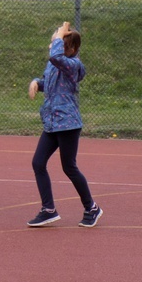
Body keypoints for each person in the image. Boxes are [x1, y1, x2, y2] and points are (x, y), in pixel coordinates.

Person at [27, 22, 103, 228]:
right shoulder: (54, 63)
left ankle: (92, 208)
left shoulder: (74, 66)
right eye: (53, 41)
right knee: (38, 163)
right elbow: (49, 81)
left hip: (68, 123)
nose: (52, 45)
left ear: (71, 49)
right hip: (52, 122)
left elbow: (56, 57)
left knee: (69, 167)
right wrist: (36, 82)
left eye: (57, 42)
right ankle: (48, 209)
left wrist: (60, 35)